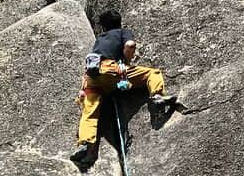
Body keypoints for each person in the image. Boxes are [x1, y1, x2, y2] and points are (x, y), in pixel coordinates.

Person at [70, 10, 177, 166]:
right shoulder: (122, 32)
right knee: (152, 73)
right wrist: (126, 62)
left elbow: (90, 64)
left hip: (93, 78)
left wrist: (82, 89)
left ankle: (89, 150)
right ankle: (157, 96)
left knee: (90, 112)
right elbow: (130, 44)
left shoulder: (100, 38)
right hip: (113, 71)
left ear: (103, 27)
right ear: (119, 23)